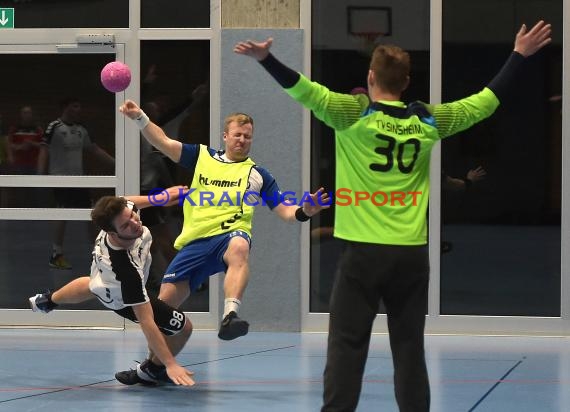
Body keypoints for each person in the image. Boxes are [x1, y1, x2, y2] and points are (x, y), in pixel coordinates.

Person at [234, 20, 551, 412]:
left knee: (347, 347)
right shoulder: (428, 121)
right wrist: (519, 55)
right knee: (409, 348)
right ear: (406, 82)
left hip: (363, 256)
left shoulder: (352, 114)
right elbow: (485, 102)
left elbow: (304, 90)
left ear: (370, 77)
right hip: (411, 256)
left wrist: (267, 58)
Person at [116, 106, 329, 348]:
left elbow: (286, 211)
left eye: (247, 136)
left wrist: (305, 211)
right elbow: (163, 141)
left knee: (239, 245)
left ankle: (230, 315)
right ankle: (152, 367)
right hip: (194, 242)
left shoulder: (258, 174)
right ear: (225, 136)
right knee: (162, 312)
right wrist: (139, 117)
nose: (242, 140)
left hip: (228, 236)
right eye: (237, 134)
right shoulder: (202, 157)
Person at [29, 188, 195, 386]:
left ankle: (48, 301)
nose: (135, 222)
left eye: (133, 216)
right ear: (111, 232)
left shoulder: (118, 214)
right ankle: (151, 371)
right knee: (184, 328)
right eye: (126, 225)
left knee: (92, 285)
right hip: (120, 298)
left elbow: (129, 202)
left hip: (102, 278)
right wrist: (170, 363)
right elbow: (146, 321)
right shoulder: (126, 273)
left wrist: (159, 199)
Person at [37, 97, 115, 270]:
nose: (79, 109)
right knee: (62, 214)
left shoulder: (81, 130)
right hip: (60, 179)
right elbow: (44, 149)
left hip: (79, 180)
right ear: (66, 107)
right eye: (75, 106)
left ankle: (99, 253)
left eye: (80, 106)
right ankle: (56, 255)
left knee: (91, 214)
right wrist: (39, 174)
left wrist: (117, 163)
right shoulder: (54, 127)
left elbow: (94, 149)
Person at [6, 105, 43, 175]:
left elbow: (43, 145)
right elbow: (9, 144)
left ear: (32, 115)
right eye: (25, 113)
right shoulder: (14, 129)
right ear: (21, 115)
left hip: (34, 164)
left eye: (29, 113)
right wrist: (20, 147)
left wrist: (32, 143)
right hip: (18, 164)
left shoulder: (37, 129)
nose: (27, 115)